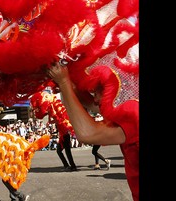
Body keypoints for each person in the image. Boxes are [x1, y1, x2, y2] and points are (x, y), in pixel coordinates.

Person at [46, 62, 139, 201]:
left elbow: (87, 133)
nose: (94, 99)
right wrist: (67, 85)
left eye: (96, 92)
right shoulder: (128, 105)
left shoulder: (133, 112)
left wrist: (64, 82)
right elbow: (92, 104)